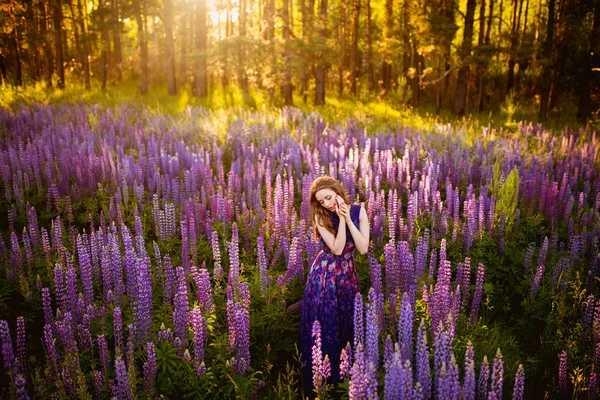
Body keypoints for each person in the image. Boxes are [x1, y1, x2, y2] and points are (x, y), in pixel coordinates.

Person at [299, 176, 370, 397]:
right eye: (322, 201)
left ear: (338, 190)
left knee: (347, 322)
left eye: (329, 197)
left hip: (347, 275)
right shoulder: (321, 218)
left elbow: (363, 248)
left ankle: (347, 379)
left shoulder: (359, 211)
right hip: (325, 277)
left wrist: (348, 218)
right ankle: (322, 381)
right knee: (326, 324)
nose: (327, 203)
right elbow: (338, 248)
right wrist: (339, 217)